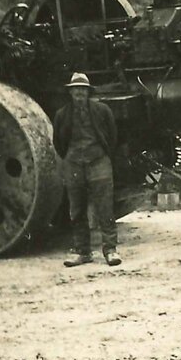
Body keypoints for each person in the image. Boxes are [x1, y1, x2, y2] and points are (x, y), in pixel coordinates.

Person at [56, 72, 121, 267]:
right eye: (76, 89)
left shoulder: (102, 110)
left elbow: (112, 136)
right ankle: (82, 251)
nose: (79, 93)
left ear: (88, 92)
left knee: (105, 208)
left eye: (83, 89)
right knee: (76, 209)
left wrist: (102, 155)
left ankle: (110, 250)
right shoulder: (62, 115)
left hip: (98, 161)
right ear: (70, 92)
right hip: (74, 163)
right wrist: (71, 157)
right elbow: (59, 142)